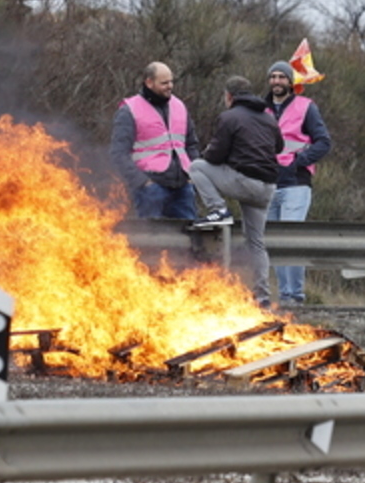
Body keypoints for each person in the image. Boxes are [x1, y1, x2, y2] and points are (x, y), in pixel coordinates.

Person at [188, 76, 283, 307]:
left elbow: (214, 156)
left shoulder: (229, 117)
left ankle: (218, 209)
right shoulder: (269, 119)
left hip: (244, 181)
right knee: (256, 242)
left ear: (229, 96)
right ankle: (262, 297)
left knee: (196, 167)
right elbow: (279, 147)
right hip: (267, 188)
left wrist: (213, 153)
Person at [265, 60, 332, 305]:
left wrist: (298, 161)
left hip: (296, 183)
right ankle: (285, 297)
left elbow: (324, 142)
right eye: (273, 77)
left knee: (290, 239)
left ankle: (295, 296)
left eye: (282, 77)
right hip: (268, 183)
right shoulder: (262, 109)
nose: (276, 81)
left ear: (291, 82)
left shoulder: (306, 107)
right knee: (274, 243)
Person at [110, 62, 201, 219]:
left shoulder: (179, 106)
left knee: (190, 240)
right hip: (151, 189)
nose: (170, 86)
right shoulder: (129, 110)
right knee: (152, 239)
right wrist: (142, 182)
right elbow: (118, 153)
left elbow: (191, 145)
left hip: (183, 187)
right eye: (164, 83)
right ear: (149, 82)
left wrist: (193, 177)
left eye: (171, 81)